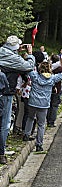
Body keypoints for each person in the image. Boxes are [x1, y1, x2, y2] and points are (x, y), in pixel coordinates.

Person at [23, 61, 62, 152]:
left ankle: (26, 135)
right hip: (44, 104)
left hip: (33, 102)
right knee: (41, 124)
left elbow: (27, 67)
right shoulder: (53, 78)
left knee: (30, 118)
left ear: (40, 69)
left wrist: (30, 55)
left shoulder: (35, 76)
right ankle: (39, 145)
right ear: (49, 69)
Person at [0, 36, 35, 164]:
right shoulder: (14, 58)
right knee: (4, 124)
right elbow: (28, 66)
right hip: (5, 94)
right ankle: (1, 153)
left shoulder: (2, 51)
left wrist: (17, 51)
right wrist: (30, 54)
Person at [46, 54, 62, 128]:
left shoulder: (49, 68)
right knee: (54, 105)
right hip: (57, 89)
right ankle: (51, 121)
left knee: (49, 104)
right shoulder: (60, 68)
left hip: (49, 88)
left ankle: (48, 119)